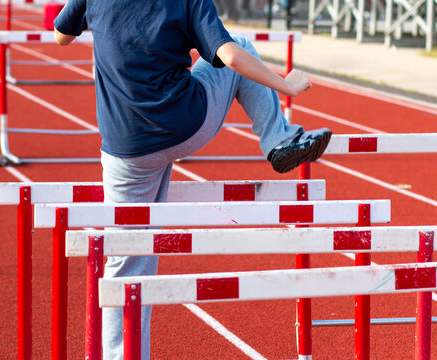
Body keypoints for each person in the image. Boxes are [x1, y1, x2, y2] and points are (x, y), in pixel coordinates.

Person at [53, 1, 331, 359]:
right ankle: (277, 138)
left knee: (126, 264)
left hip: (127, 147)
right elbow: (229, 56)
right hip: (184, 126)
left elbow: (61, 35)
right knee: (242, 44)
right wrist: (285, 85)